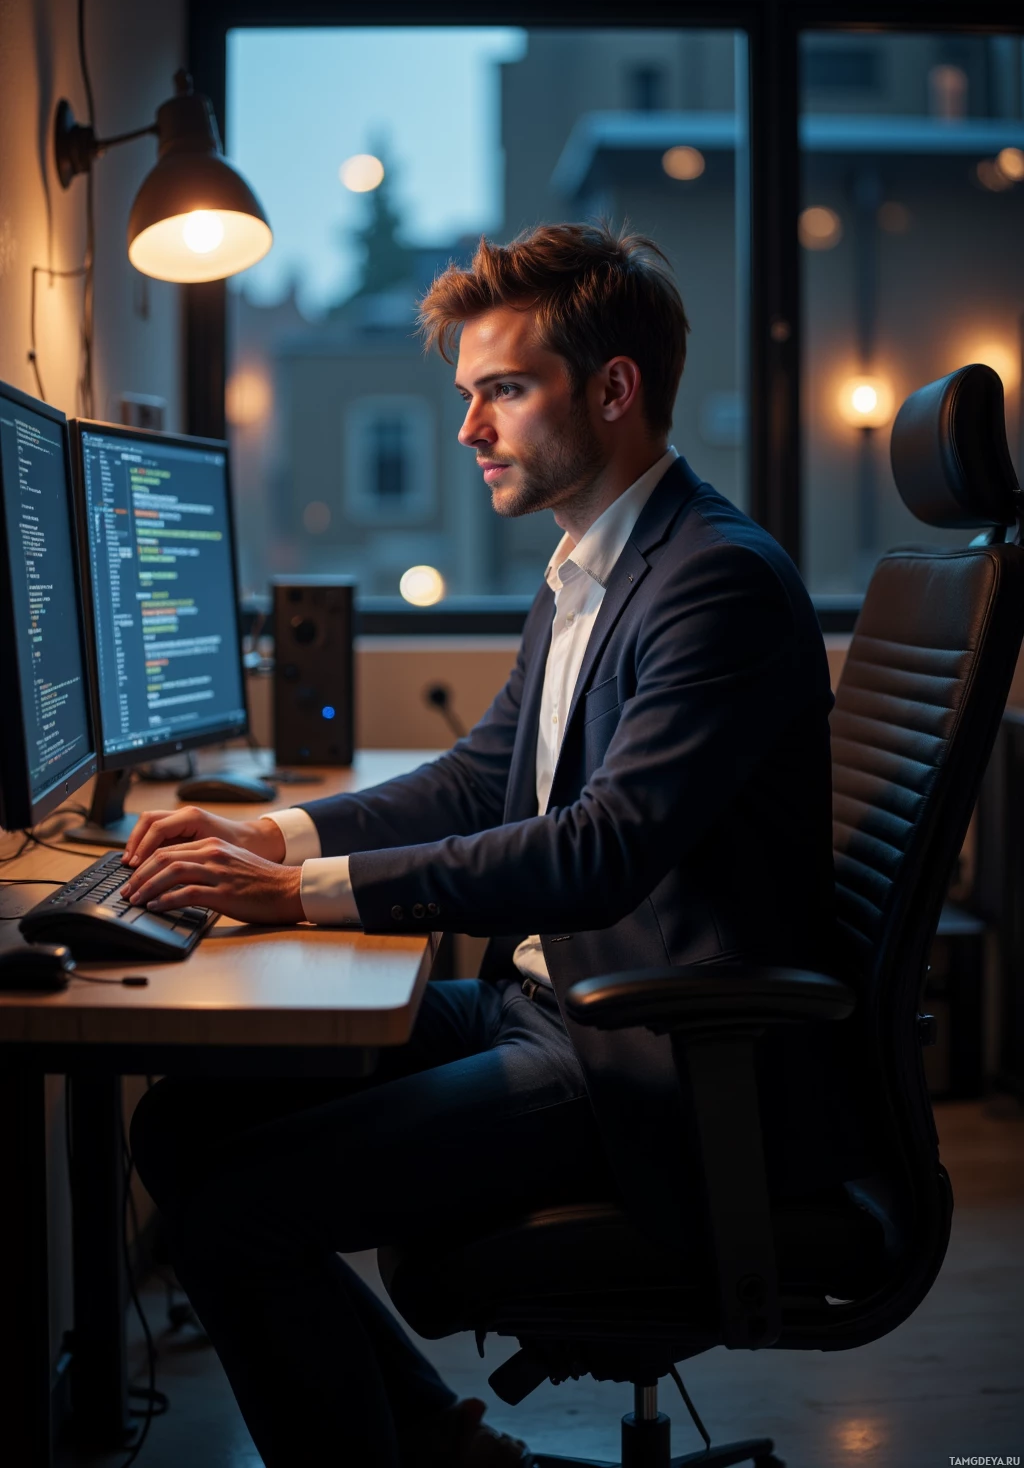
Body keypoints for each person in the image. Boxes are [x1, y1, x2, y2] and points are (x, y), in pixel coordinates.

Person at [126, 222, 836, 1468]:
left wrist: (293, 892)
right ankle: (435, 1444)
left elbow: (597, 852)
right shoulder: (591, 566)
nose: (469, 430)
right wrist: (267, 833)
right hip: (550, 1009)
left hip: (649, 1059)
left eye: (500, 390)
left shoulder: (713, 580)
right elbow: (475, 783)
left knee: (240, 1215)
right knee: (181, 1128)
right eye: (468, 396)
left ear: (613, 389)